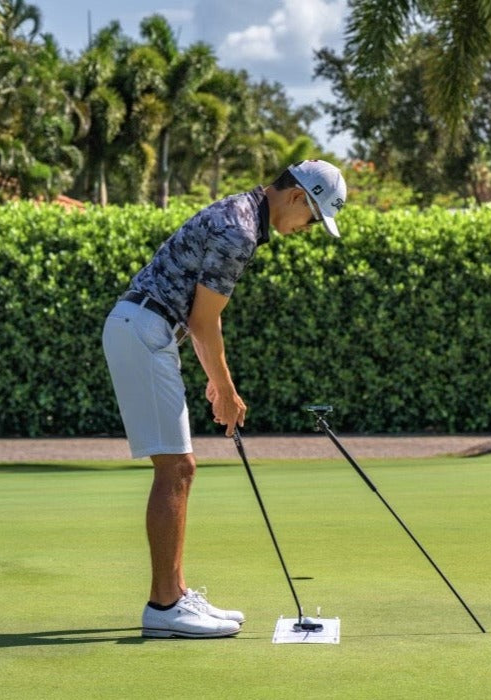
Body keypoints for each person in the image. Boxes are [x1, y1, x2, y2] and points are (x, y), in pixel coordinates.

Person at [102, 160, 347, 639]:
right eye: (313, 218)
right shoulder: (239, 232)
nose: (307, 229)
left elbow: (195, 316)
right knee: (177, 468)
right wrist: (228, 391)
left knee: (180, 467)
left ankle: (174, 591)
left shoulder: (242, 214)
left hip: (147, 328)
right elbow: (203, 321)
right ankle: (165, 606)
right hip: (144, 331)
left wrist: (215, 381)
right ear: (298, 197)